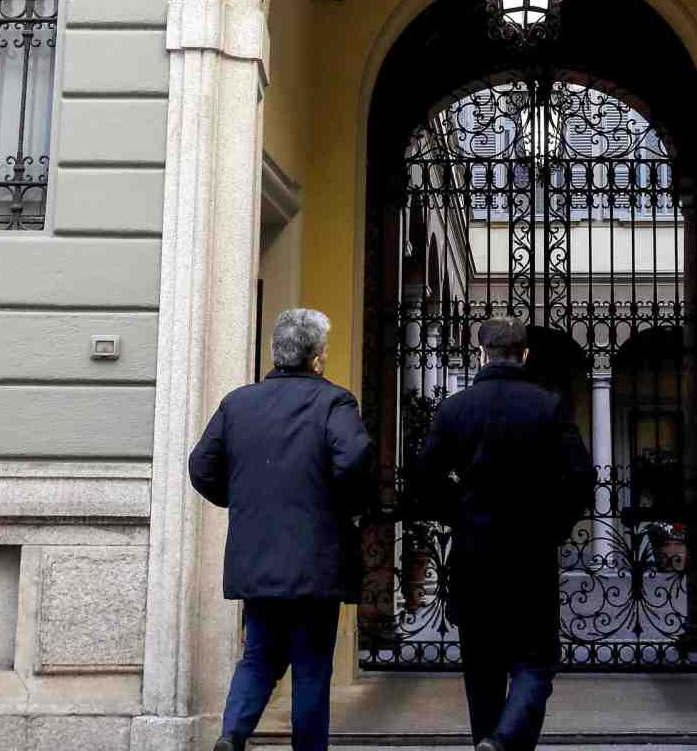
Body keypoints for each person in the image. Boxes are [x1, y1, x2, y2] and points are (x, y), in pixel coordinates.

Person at [190, 308, 375, 751]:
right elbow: (354, 458)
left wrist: (244, 502)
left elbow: (201, 466)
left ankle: (232, 735)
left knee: (258, 655)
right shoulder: (334, 402)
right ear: (318, 357)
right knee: (311, 665)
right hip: (315, 558)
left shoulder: (237, 403)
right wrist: (340, 505)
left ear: (277, 352)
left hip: (257, 554)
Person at [413, 314, 592, 751]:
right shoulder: (547, 406)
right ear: (524, 354)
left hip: (474, 556)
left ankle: (490, 741)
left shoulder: (455, 409)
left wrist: (459, 513)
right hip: (531, 555)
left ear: (481, 354)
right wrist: (553, 526)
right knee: (535, 665)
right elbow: (581, 479)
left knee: (482, 672)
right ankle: (505, 740)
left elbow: (423, 481)